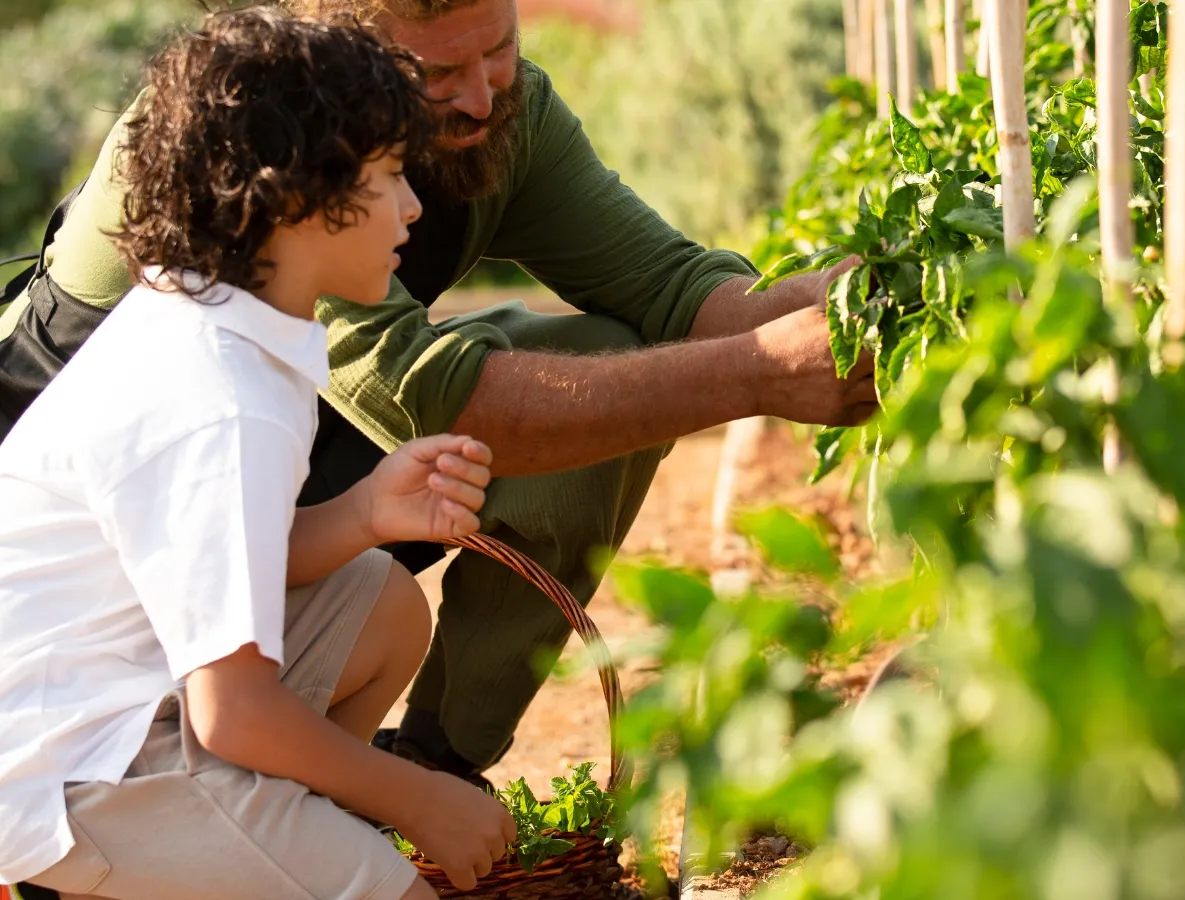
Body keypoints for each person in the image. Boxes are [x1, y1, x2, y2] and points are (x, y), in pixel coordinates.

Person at [0, 0, 878, 787]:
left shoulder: (503, 116)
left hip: (279, 473)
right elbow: (445, 401)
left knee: (609, 352)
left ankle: (428, 767)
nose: (482, 97)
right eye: (437, 74)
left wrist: (815, 308)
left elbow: (671, 288)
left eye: (496, 48)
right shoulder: (264, 145)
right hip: (93, 583)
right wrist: (761, 370)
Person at [0, 10, 516, 899]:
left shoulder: (217, 319)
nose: (414, 206)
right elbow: (232, 710)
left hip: (119, 699)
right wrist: (416, 800)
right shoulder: (220, 396)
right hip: (69, 770)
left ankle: (254, 854)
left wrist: (363, 515)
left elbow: (221, 575)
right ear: (296, 200)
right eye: (390, 176)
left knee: (379, 605)